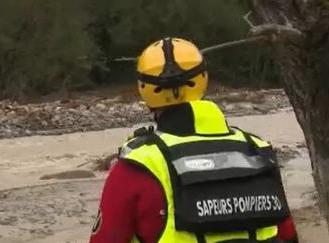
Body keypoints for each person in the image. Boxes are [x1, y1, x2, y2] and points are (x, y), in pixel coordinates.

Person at [89, 37, 299, 243]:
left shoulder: (137, 165)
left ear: (144, 88)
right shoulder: (257, 151)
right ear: (203, 79)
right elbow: (287, 234)